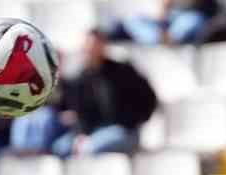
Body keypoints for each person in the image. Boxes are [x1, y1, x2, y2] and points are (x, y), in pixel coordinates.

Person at [47, 30, 158, 158]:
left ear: (103, 46)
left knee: (90, 149)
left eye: (95, 45)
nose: (91, 50)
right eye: (88, 46)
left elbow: (149, 99)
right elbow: (79, 112)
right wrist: (81, 134)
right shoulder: (82, 78)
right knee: (60, 149)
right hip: (94, 131)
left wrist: (133, 122)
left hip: (124, 130)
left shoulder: (124, 72)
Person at [107, 0, 217, 45]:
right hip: (169, 22)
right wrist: (162, 25)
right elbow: (162, 14)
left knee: (192, 20)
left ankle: (169, 38)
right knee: (132, 20)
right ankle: (157, 39)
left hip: (194, 16)